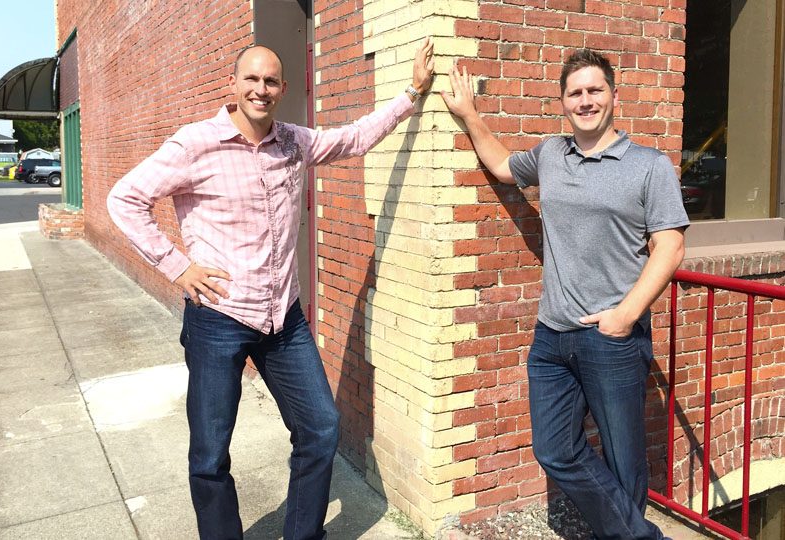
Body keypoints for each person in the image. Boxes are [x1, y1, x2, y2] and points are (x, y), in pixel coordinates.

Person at [108, 39, 434, 540]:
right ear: (233, 84)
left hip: (284, 319)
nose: (260, 89)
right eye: (251, 79)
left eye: (271, 81)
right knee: (210, 455)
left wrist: (411, 93)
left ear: (282, 88)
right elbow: (125, 199)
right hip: (219, 318)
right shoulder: (195, 144)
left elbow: (353, 139)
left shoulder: (294, 142)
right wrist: (177, 267)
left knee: (321, 428)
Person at [441, 49, 688, 539]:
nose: (585, 100)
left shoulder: (648, 166)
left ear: (613, 95)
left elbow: (671, 245)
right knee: (554, 449)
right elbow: (503, 166)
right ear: (563, 102)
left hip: (611, 339)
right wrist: (469, 115)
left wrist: (625, 315)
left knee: (623, 462)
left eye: (595, 90)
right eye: (575, 93)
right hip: (551, 337)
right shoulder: (552, 155)